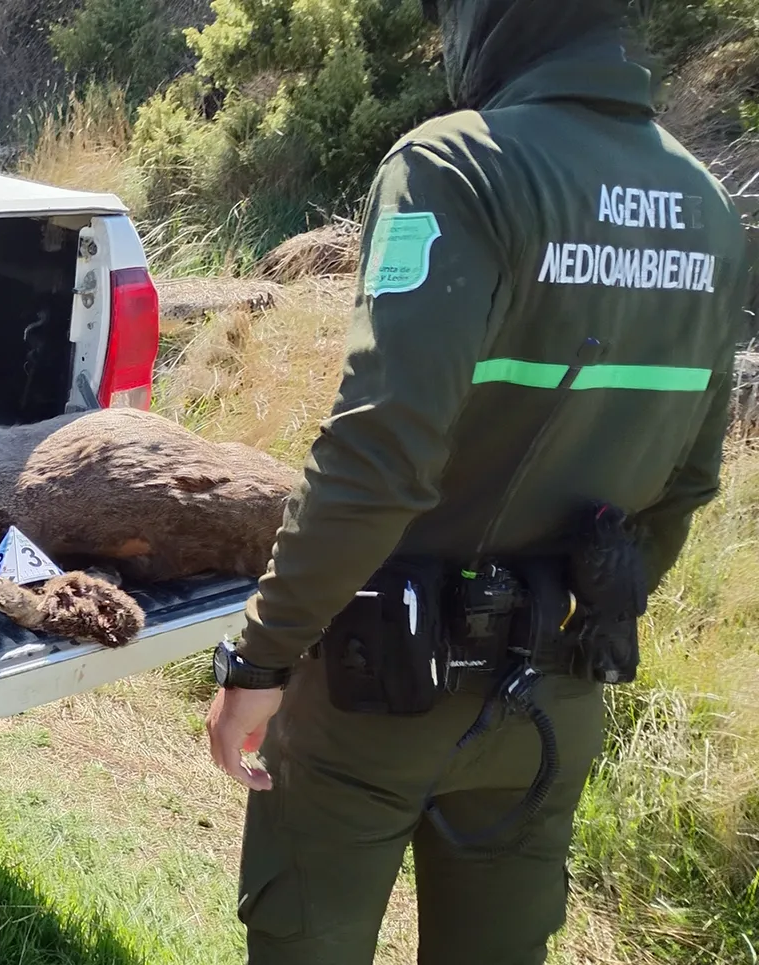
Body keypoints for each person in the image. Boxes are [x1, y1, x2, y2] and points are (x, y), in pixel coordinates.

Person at [202, 1, 755, 962]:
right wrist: (580, 622)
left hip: (378, 688)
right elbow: (690, 482)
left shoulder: (455, 165)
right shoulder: (707, 207)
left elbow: (378, 454)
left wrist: (260, 657)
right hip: (552, 696)